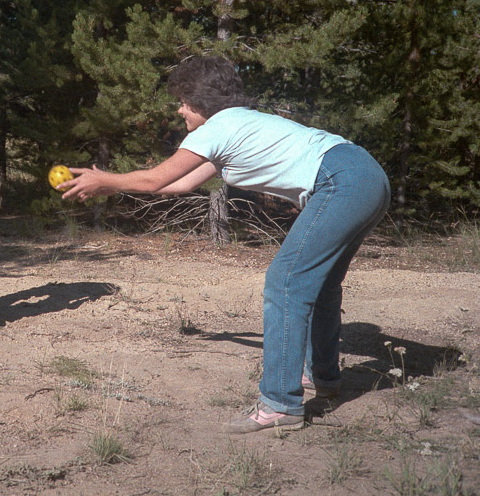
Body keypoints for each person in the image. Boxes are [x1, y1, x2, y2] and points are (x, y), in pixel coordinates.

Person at [60, 55, 390, 433]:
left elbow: (153, 179)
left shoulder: (216, 128)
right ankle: (323, 377)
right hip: (367, 176)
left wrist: (107, 182)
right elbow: (178, 184)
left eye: (183, 100)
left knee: (285, 282)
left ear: (201, 102)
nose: (179, 109)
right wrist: (113, 181)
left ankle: (280, 404)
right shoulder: (237, 125)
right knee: (321, 284)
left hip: (342, 180)